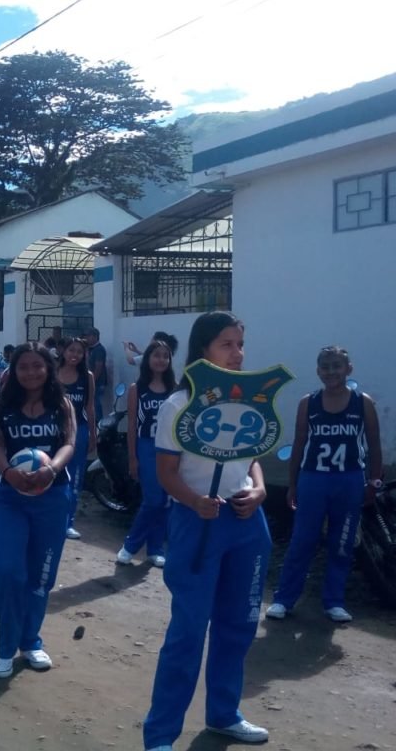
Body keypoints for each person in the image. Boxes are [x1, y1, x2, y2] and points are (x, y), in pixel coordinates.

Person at [142, 311, 271, 751]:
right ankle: (160, 735)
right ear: (203, 350)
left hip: (246, 522)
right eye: (227, 345)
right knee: (189, 631)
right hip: (197, 523)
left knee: (239, 625)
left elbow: (253, 455)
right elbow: (166, 472)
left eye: (240, 344)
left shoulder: (248, 398)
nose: (238, 354)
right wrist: (195, 500)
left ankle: (224, 714)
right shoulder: (178, 406)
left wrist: (259, 489)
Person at [266, 346, 382, 623]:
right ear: (318, 371)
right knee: (301, 541)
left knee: (342, 543)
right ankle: (284, 599)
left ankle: (334, 601)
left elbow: (375, 445)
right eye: (325, 367)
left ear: (348, 369)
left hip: (349, 479)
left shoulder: (363, 402)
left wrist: (374, 482)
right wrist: (292, 484)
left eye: (336, 366)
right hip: (314, 479)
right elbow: (299, 445)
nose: (331, 372)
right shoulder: (309, 402)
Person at [0, 342, 75, 679]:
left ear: (48, 368)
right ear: (14, 371)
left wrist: (51, 469)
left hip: (52, 497)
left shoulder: (61, 403)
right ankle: (5, 648)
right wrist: (9, 472)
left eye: (38, 365)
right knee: (9, 573)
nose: (31, 372)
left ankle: (30, 641)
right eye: (23, 366)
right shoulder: (2, 406)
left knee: (41, 576)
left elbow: (69, 443)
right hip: (9, 497)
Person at [117, 338, 176, 568]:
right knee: (153, 500)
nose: (161, 360)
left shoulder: (174, 388)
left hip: (170, 449)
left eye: (165, 356)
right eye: (156, 355)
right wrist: (133, 458)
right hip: (146, 447)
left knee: (165, 501)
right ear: (147, 359)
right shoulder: (137, 389)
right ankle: (130, 546)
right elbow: (132, 426)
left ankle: (155, 549)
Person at [56, 336, 96, 540]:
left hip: (78, 432)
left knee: (74, 479)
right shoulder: (52, 373)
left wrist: (92, 434)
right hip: (53, 432)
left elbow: (90, 407)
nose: (75, 355)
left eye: (80, 352)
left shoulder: (87, 377)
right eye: (71, 350)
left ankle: (67, 522)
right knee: (51, 475)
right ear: (63, 351)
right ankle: (49, 519)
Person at [85, 328, 108, 422]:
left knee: (96, 404)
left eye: (89, 336)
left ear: (95, 337)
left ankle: (98, 424)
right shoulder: (90, 349)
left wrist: (92, 382)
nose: (87, 338)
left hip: (97, 383)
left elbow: (98, 368)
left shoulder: (99, 350)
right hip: (92, 382)